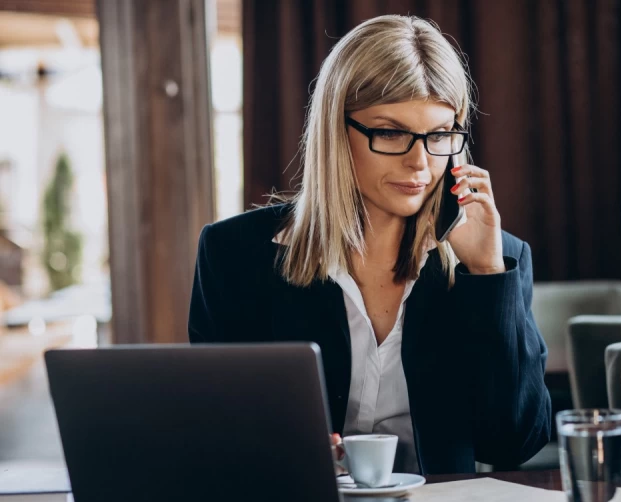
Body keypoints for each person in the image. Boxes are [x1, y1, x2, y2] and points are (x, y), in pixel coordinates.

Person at [189, 14, 551, 475]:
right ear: (338, 132)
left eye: (440, 134)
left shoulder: (498, 259)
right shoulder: (233, 254)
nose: (420, 162)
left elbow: (513, 443)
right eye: (391, 132)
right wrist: (280, 447)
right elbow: (211, 428)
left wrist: (487, 275)